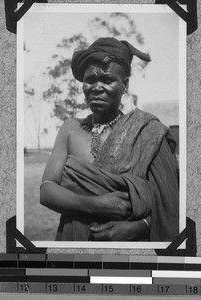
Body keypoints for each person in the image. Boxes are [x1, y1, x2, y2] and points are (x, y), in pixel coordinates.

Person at [40, 37, 179, 242]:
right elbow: (47, 190)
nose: (96, 87)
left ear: (125, 85)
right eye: (90, 80)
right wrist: (95, 204)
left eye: (107, 80)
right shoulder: (70, 129)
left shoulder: (149, 132)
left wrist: (140, 227)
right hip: (74, 242)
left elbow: (168, 204)